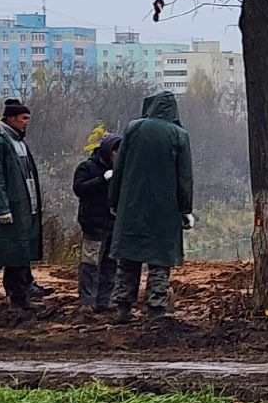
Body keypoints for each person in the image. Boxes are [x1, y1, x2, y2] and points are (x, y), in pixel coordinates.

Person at [110, 91, 194, 322]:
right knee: (160, 261)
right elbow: (184, 178)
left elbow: (119, 170)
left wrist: (114, 201)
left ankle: (122, 308)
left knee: (128, 259)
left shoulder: (133, 129)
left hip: (131, 207)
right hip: (165, 211)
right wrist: (185, 209)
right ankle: (156, 308)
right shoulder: (179, 135)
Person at [0, 99, 43, 313]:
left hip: (22, 210)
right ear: (10, 118)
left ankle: (19, 297)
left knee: (19, 253)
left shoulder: (18, 142)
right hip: (1, 213)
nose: (26, 123)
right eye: (23, 118)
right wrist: (2, 208)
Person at [73, 134, 123, 312]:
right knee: (90, 265)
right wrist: (103, 179)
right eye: (115, 150)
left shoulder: (121, 170)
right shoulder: (87, 167)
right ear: (108, 150)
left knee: (110, 266)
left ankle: (104, 301)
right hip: (93, 225)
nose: (118, 154)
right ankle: (87, 302)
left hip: (114, 225)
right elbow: (80, 188)